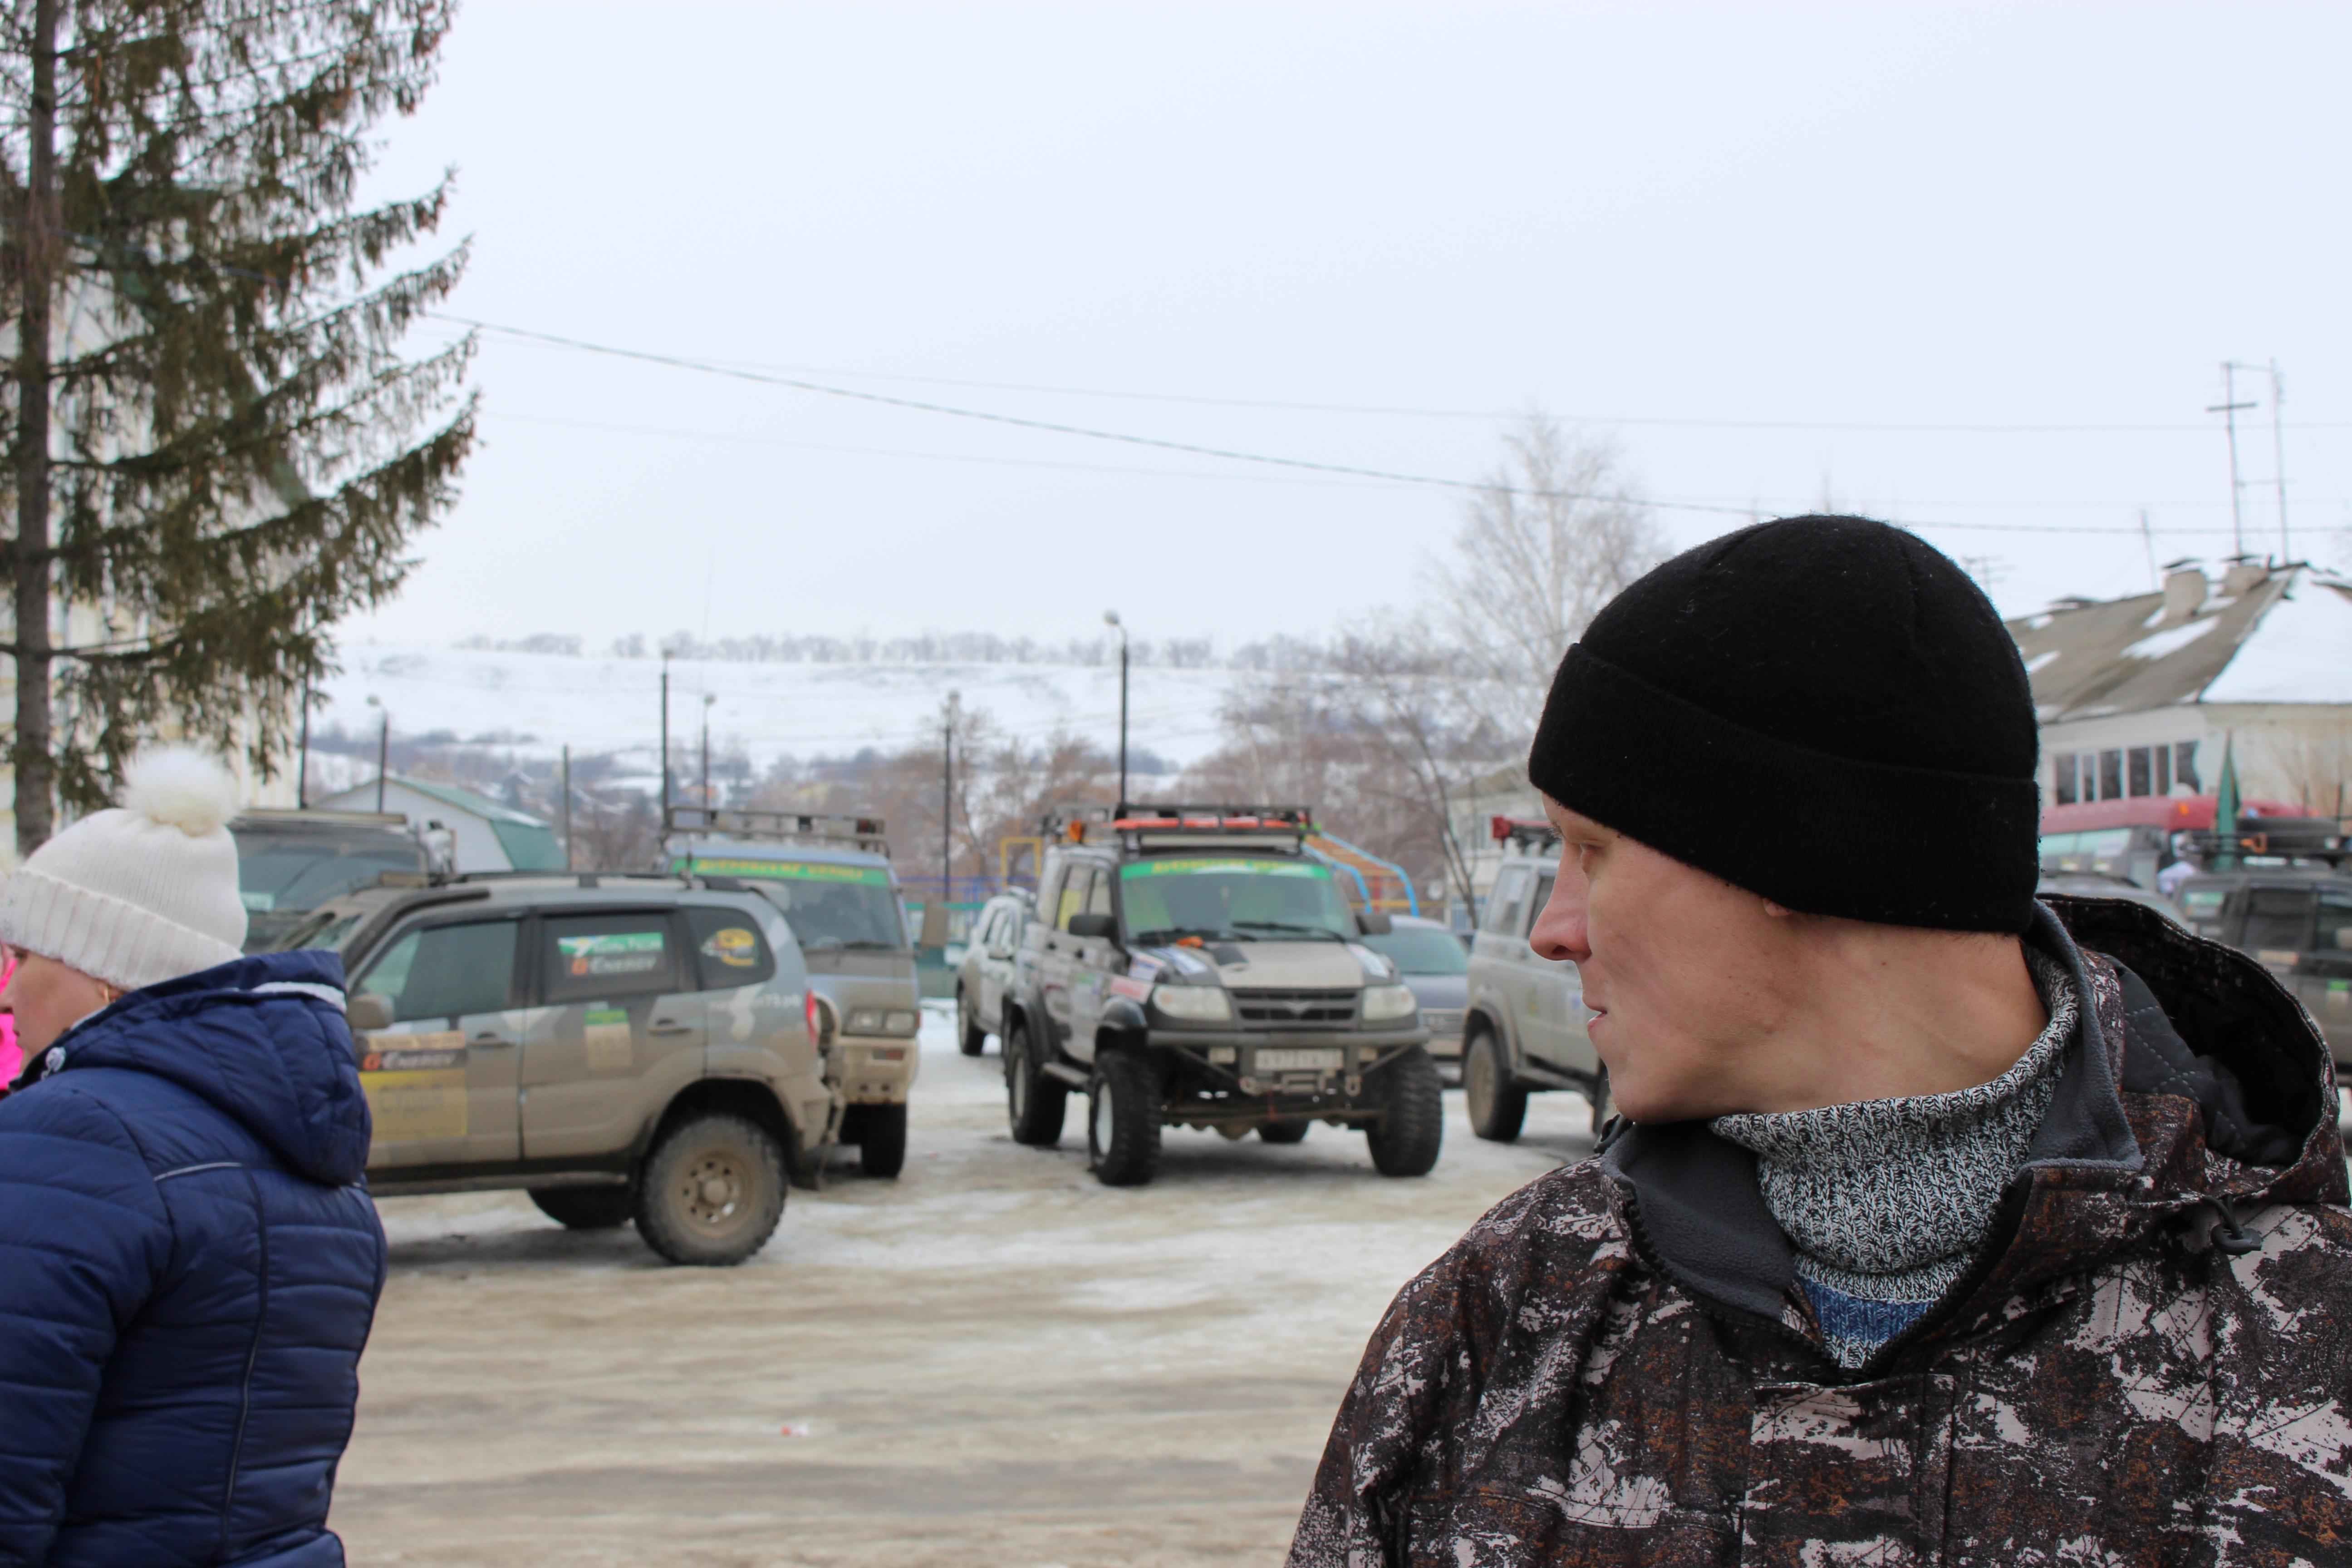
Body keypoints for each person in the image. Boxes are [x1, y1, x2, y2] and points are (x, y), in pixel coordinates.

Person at [1288, 516, 2352, 1565]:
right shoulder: (1506, 1314)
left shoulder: (2305, 1342)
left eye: (1593, 851)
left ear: (1796, 849)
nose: (1552, 930)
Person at [0, 746, 385, 1567]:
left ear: (103, 972)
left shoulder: (67, 1135)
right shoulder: (318, 1160)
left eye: (23, 957)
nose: (7, 989)